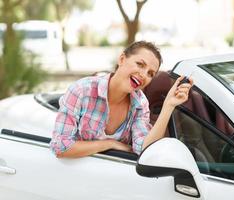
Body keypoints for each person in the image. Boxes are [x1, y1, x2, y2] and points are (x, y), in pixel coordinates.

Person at [50, 41, 193, 158]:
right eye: (140, 64)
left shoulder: (140, 104)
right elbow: (60, 147)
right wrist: (109, 144)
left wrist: (168, 105)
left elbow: (144, 149)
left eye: (150, 73)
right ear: (122, 59)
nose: (143, 75)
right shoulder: (81, 90)